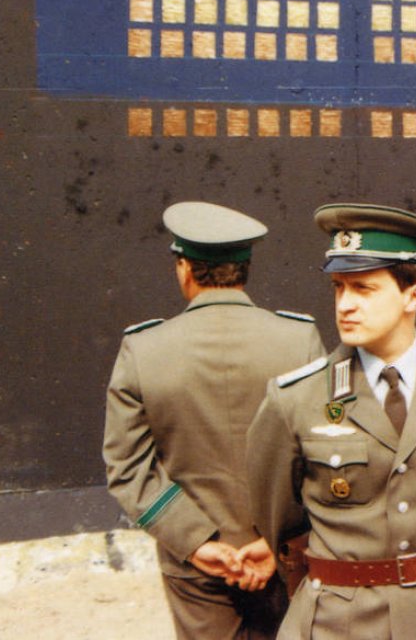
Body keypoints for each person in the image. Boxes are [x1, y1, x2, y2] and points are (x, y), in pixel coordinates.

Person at [246, 203, 416, 640]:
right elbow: (280, 523)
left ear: (414, 295)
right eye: (338, 287)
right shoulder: (294, 398)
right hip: (339, 620)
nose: (345, 305)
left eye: (364, 289)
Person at [103, 201, 327, 640]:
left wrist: (196, 543)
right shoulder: (298, 339)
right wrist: (277, 540)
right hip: (284, 553)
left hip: (195, 564)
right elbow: (325, 452)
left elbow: (128, 468)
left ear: (184, 268)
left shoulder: (143, 350)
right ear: (244, 268)